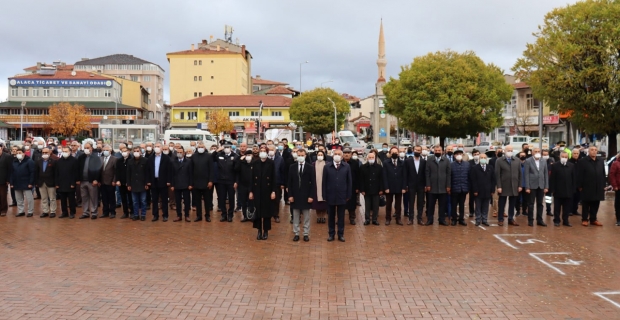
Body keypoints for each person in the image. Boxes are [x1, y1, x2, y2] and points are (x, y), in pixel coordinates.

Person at [287, 149, 316, 242]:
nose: (300, 156)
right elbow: (289, 182)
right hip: (295, 195)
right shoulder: (292, 167)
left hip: (306, 195)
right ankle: (296, 233)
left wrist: (311, 196)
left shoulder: (310, 167)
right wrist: (290, 195)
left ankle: (306, 233)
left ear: (305, 155)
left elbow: (313, 183)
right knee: (295, 216)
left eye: (302, 155)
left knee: (306, 216)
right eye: (298, 155)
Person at [323, 149, 351, 242]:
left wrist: (348, 194)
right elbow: (324, 182)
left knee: (341, 216)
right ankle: (331, 234)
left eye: (339, 154)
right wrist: (324, 195)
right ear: (332, 155)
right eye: (336, 154)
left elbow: (349, 182)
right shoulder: (327, 167)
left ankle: (340, 234)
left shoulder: (346, 166)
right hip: (330, 195)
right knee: (331, 216)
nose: (337, 155)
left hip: (342, 195)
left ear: (342, 156)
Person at [250, 146, 277, 240]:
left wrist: (273, 191)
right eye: (261, 151)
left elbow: (274, 178)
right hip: (257, 190)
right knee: (258, 211)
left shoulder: (271, 163)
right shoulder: (255, 162)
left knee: (266, 211)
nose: (262, 152)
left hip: (267, 190)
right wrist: (251, 191)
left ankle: (265, 231)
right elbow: (252, 179)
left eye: (264, 151)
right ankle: (259, 230)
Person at [576, 146, 606, 227]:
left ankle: (593, 219)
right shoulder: (583, 161)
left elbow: (603, 173)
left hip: (598, 185)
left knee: (596, 202)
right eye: (592, 150)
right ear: (589, 151)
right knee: (586, 203)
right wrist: (579, 185)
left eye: (595, 150)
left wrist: (604, 184)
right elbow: (579, 174)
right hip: (587, 185)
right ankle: (585, 219)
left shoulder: (600, 160)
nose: (594, 151)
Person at [494, 146, 521, 226]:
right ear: (504, 151)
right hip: (503, 185)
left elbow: (520, 174)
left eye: (511, 150)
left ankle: (510, 219)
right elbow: (497, 174)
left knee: (512, 204)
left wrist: (520, 185)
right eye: (508, 150)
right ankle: (500, 219)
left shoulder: (517, 160)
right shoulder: (499, 161)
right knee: (502, 203)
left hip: (514, 185)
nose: (510, 151)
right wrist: (499, 186)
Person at [425, 145, 451, 226]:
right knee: (430, 205)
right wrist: (428, 184)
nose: (437, 152)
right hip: (432, 187)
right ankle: (430, 220)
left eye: (439, 150)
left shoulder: (446, 161)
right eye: (436, 150)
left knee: (442, 205)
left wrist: (448, 186)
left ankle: (442, 219)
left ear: (442, 151)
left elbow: (448, 174)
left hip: (443, 187)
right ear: (433, 151)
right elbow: (427, 173)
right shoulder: (429, 160)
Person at [147, 143, 172, 222]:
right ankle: (155, 215)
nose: (157, 148)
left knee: (164, 199)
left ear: (161, 148)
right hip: (153, 181)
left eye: (158, 147)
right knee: (154, 199)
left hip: (163, 181)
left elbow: (169, 170)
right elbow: (148, 171)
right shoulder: (150, 158)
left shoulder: (166, 158)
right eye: (155, 147)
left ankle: (165, 215)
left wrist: (168, 180)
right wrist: (148, 181)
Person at [549, 152, 575, 227]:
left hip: (568, 190)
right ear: (560, 157)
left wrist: (573, 189)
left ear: (568, 157)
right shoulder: (555, 165)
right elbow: (552, 179)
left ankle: (566, 221)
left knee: (567, 207)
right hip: (558, 190)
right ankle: (556, 220)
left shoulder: (571, 166)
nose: (564, 158)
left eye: (565, 156)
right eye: (563, 156)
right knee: (557, 207)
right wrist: (552, 190)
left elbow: (573, 178)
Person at [524, 147, 549, 227]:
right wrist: (527, 187)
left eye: (538, 151)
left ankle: (539, 220)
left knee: (540, 203)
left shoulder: (543, 161)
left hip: (541, 185)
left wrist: (546, 186)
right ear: (532, 152)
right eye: (535, 151)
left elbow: (545, 174)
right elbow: (526, 174)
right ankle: (530, 220)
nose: (537, 152)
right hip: (532, 185)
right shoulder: (528, 161)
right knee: (531, 203)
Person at [213, 144, 238, 222]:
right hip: (221, 181)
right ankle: (224, 214)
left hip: (231, 181)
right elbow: (212, 158)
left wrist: (236, 181)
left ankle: (230, 215)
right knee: (221, 198)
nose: (226, 149)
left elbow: (237, 171)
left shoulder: (235, 156)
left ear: (231, 148)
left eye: (228, 147)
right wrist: (217, 150)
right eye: (225, 148)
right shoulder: (219, 155)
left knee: (231, 198)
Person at [382, 146, 406, 225]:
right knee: (388, 204)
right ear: (390, 153)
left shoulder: (402, 163)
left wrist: (403, 187)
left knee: (398, 204)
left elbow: (404, 176)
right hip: (389, 187)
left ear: (398, 153)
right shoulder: (386, 163)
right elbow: (384, 176)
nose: (394, 154)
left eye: (396, 152)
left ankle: (398, 219)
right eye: (393, 153)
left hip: (399, 187)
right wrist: (386, 187)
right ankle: (388, 218)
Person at [77, 142, 102, 219]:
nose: (86, 149)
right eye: (85, 148)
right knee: (84, 197)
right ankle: (85, 212)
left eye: (88, 148)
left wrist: (96, 179)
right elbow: (78, 169)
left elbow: (98, 170)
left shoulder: (96, 158)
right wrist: (78, 179)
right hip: (82, 181)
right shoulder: (81, 157)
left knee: (93, 197)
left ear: (91, 148)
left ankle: (94, 212)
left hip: (92, 181)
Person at [360, 151, 384, 225]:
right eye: (369, 157)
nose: (371, 158)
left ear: (375, 158)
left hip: (376, 190)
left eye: (372, 157)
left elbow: (381, 179)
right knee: (367, 205)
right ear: (367, 158)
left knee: (376, 206)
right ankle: (367, 219)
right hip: (367, 190)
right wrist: (362, 189)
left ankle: (374, 219)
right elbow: (361, 179)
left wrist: (381, 189)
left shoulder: (379, 167)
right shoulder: (363, 167)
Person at [191, 141, 214, 222]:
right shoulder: (193, 156)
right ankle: (199, 215)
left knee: (207, 200)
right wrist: (191, 182)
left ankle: (207, 215)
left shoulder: (209, 156)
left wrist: (210, 181)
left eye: (202, 147)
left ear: (205, 148)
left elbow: (212, 169)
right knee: (197, 201)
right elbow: (191, 169)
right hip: (196, 182)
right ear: (197, 148)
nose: (200, 148)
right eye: (199, 147)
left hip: (206, 182)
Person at [404, 145, 426, 225]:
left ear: (421, 151)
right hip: (411, 185)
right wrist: (405, 185)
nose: (417, 151)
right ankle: (411, 218)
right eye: (416, 149)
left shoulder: (424, 161)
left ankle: (419, 218)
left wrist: (426, 185)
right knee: (411, 202)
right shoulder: (408, 161)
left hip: (421, 185)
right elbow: (405, 174)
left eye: (419, 150)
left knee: (420, 202)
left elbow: (425, 174)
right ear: (413, 150)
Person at [470, 154, 495, 226]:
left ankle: (484, 219)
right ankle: (478, 219)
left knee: (486, 206)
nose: (483, 159)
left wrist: (492, 190)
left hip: (488, 190)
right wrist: (475, 190)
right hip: (478, 190)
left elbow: (493, 180)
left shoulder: (490, 167)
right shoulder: (474, 168)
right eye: (481, 157)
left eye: (484, 157)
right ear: (479, 158)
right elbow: (473, 180)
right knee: (478, 206)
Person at [11, 146, 35, 217]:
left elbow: (32, 172)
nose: (18, 154)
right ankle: (21, 211)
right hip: (17, 183)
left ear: (24, 153)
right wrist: (12, 182)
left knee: (29, 198)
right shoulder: (14, 162)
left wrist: (31, 183)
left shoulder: (29, 161)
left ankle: (30, 211)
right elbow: (12, 173)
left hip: (26, 183)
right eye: (17, 153)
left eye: (20, 153)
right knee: (19, 199)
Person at [171, 146, 193, 222]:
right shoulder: (173, 162)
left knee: (187, 201)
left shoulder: (188, 162)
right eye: (178, 152)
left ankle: (187, 215)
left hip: (186, 184)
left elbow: (191, 174)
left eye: (181, 152)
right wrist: (172, 185)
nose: (179, 154)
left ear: (184, 153)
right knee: (178, 201)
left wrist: (190, 184)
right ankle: (178, 215)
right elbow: (172, 174)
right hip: (177, 184)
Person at [55, 147, 79, 219]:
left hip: (70, 183)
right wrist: (57, 183)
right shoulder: (59, 161)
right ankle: (64, 212)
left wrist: (73, 183)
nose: (64, 152)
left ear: (70, 152)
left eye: (66, 151)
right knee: (62, 199)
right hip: (61, 183)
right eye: (63, 151)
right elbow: (56, 173)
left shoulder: (74, 160)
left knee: (71, 199)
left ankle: (72, 212)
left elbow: (75, 173)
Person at [127, 147, 149, 221]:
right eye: (135, 151)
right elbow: (128, 174)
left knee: (143, 200)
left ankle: (143, 214)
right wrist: (129, 184)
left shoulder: (145, 160)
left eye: (138, 151)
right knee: (135, 201)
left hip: (142, 184)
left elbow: (147, 173)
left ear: (140, 152)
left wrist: (146, 183)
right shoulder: (130, 161)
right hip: (133, 184)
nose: (136, 152)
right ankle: (136, 214)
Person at [35, 147, 57, 218]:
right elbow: (37, 172)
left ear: (49, 152)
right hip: (41, 182)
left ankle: (53, 211)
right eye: (43, 153)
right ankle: (45, 211)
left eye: (46, 152)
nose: (44, 154)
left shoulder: (53, 161)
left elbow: (56, 173)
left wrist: (56, 183)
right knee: (44, 198)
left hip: (51, 182)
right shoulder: (38, 161)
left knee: (52, 198)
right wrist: (37, 182)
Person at [450, 149, 469, 226]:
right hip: (454, 188)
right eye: (457, 154)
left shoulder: (467, 164)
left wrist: (468, 187)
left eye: (460, 154)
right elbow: (449, 177)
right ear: (454, 156)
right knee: (454, 204)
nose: (458, 155)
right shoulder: (451, 165)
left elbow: (469, 177)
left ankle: (461, 219)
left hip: (463, 188)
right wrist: (449, 187)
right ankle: (454, 219)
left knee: (462, 205)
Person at [342, 148, 360, 225]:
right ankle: (340, 219)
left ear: (351, 154)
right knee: (341, 204)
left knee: (352, 204)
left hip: (352, 187)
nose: (346, 154)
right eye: (345, 153)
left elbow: (358, 176)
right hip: (341, 186)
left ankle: (352, 218)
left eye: (348, 153)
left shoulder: (355, 163)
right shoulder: (340, 162)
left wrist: (357, 187)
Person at [99, 145, 118, 218]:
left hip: (111, 181)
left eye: (106, 150)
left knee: (111, 197)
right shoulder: (100, 159)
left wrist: (114, 180)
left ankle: (112, 212)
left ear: (110, 151)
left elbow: (116, 171)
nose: (105, 151)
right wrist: (99, 180)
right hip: (102, 181)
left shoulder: (114, 159)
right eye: (104, 150)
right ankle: (105, 211)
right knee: (104, 198)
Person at [236, 150, 254, 222]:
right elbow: (236, 169)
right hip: (242, 185)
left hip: (252, 185)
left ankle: (251, 216)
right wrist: (240, 161)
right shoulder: (242, 163)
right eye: (247, 155)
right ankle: (245, 216)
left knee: (251, 202)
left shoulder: (255, 163)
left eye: (249, 155)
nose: (248, 157)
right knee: (243, 202)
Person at [115, 147, 133, 219]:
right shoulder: (119, 161)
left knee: (131, 198)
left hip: (129, 183)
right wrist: (118, 180)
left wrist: (129, 182)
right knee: (123, 198)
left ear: (128, 151)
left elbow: (132, 172)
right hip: (121, 183)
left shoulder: (131, 160)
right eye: (122, 151)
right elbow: (117, 171)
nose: (124, 152)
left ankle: (132, 212)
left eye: (125, 151)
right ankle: (125, 212)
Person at [312, 150, 328, 224]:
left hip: (325, 186)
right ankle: (318, 216)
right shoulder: (313, 164)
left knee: (324, 203)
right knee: (317, 203)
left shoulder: (327, 164)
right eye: (319, 154)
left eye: (321, 154)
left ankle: (324, 216)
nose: (320, 156)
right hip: (315, 186)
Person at [568, 148, 582, 216]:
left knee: (577, 198)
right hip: (570, 183)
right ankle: (569, 210)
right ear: (572, 154)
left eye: (577, 153)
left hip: (578, 183)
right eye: (574, 153)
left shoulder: (580, 162)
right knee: (571, 198)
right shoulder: (569, 162)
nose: (576, 155)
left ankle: (575, 210)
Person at [467, 149, 480, 218]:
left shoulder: (482, 161)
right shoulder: (469, 163)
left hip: (480, 184)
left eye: (477, 154)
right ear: (472, 155)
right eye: (475, 154)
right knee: (471, 199)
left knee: (479, 199)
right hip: (472, 184)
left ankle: (478, 211)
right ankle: (471, 212)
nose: (476, 156)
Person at [0, 144, 12, 216]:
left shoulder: (7, 156)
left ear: (1, 148)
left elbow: (10, 169)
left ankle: (3, 210)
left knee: (3, 196)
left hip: (3, 180)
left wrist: (8, 179)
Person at [609, 151, 620, 226]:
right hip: (619, 187)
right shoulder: (616, 163)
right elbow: (612, 175)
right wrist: (614, 185)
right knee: (618, 204)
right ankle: (619, 219)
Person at [542, 149, 555, 216]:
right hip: (541, 182)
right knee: (540, 198)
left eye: (547, 154)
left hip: (549, 182)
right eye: (544, 155)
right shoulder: (540, 161)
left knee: (548, 197)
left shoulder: (551, 161)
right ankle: (539, 211)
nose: (546, 156)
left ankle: (548, 210)